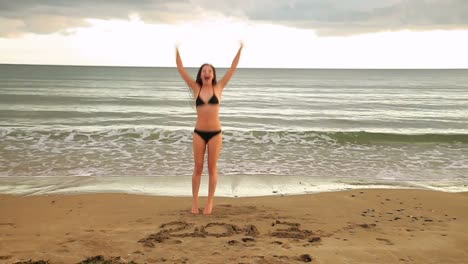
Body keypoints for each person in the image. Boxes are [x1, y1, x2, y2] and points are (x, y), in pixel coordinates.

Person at [176, 42, 243, 215]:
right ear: (201, 74)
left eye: (210, 71)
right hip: (199, 133)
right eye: (204, 71)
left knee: (212, 167)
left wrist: (240, 48)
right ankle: (195, 202)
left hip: (215, 134)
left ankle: (210, 202)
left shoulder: (218, 87)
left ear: (213, 75)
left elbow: (233, 68)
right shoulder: (196, 88)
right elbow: (181, 69)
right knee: (197, 167)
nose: (207, 73)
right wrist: (176, 48)